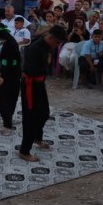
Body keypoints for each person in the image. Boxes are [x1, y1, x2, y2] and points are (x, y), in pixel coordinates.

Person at [19, 25, 67, 162]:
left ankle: (36, 137)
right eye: (57, 43)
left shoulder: (46, 45)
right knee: (30, 117)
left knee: (44, 112)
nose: (57, 46)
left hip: (39, 83)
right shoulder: (35, 48)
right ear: (50, 38)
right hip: (31, 84)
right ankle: (24, 150)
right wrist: (46, 64)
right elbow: (34, 70)